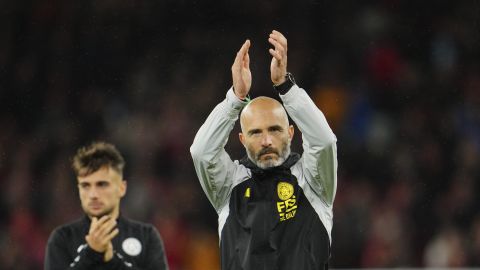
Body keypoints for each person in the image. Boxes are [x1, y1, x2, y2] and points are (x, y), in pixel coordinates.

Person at [190, 30, 338, 270]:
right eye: (256, 132)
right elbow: (202, 152)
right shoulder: (229, 186)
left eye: (275, 130)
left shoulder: (313, 182)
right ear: (242, 139)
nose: (267, 140)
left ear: (290, 133)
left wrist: (285, 87)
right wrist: (235, 100)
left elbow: (324, 142)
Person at [45, 142, 169, 270]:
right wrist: (92, 253)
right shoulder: (63, 238)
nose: (93, 194)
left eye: (102, 184)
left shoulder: (146, 236)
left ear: (122, 188)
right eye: (85, 185)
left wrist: (113, 261)